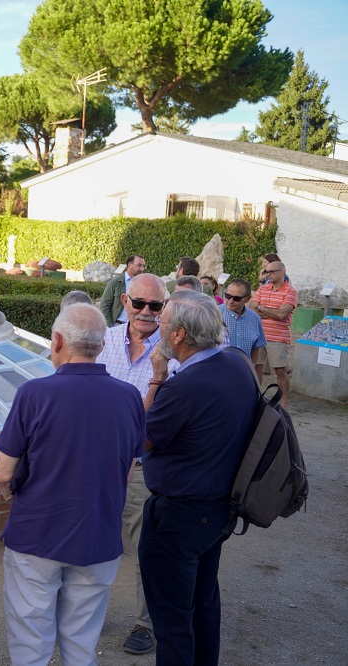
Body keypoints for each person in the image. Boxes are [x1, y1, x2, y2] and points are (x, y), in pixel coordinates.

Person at [0, 303, 145, 666]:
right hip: (98, 535)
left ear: (58, 341)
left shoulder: (34, 393)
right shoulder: (129, 397)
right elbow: (126, 474)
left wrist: (13, 497)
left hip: (36, 533)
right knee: (82, 640)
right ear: (102, 345)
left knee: (31, 638)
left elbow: (3, 474)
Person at [141, 291, 258, 665]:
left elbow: (139, 439)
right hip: (218, 507)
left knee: (173, 620)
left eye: (161, 321)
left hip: (179, 516)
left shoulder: (182, 387)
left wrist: (157, 379)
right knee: (204, 606)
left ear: (178, 334)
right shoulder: (237, 364)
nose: (156, 327)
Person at [96, 273, 178, 655]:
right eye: (139, 302)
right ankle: (90, 611)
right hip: (98, 463)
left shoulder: (175, 352)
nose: (146, 311)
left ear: (164, 307)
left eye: (155, 305)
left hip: (143, 467)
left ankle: (146, 623)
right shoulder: (104, 341)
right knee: (95, 542)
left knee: (147, 549)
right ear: (125, 302)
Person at [249, 261, 297, 408]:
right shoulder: (263, 289)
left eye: (271, 272)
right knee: (256, 367)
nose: (267, 275)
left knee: (280, 371)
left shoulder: (290, 292)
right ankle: (255, 398)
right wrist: (273, 312)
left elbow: (282, 314)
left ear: (282, 272)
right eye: (266, 272)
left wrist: (262, 308)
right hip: (259, 334)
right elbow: (252, 310)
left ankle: (283, 403)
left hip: (278, 337)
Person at [219, 278, 267, 363]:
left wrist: (252, 366)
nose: (231, 301)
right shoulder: (214, 314)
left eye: (236, 298)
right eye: (228, 296)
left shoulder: (255, 318)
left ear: (247, 299)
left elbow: (256, 347)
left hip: (244, 367)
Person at [99, 255, 146, 326]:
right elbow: (104, 306)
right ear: (129, 265)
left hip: (136, 326)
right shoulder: (115, 283)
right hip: (117, 325)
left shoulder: (143, 284)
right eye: (139, 265)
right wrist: (110, 327)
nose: (142, 269)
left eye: (143, 266)